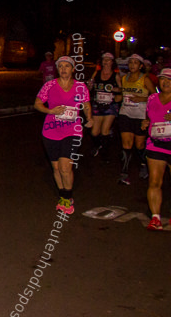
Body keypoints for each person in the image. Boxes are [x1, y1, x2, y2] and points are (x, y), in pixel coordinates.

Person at [34, 56, 93, 214]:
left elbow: (86, 105)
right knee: (56, 167)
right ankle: (62, 195)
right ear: (57, 69)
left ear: (73, 69)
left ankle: (68, 197)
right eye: (61, 66)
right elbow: (37, 103)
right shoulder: (49, 85)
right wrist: (50, 110)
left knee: (66, 167)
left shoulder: (80, 87)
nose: (64, 69)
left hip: (73, 131)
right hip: (51, 130)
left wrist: (90, 118)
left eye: (67, 66)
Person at [116, 54, 155, 185]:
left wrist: (142, 99)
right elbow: (122, 95)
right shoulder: (124, 78)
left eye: (135, 63)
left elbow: (155, 96)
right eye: (130, 62)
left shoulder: (145, 79)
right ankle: (124, 172)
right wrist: (117, 96)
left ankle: (144, 163)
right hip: (125, 113)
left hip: (140, 115)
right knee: (126, 144)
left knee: (139, 145)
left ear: (141, 66)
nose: (132, 65)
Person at [143, 68, 171, 231]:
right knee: (154, 182)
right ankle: (155, 218)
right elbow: (149, 116)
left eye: (169, 79)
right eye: (162, 79)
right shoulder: (152, 98)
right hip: (155, 143)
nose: (166, 82)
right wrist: (145, 123)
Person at [88, 52, 121, 160]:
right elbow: (90, 87)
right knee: (94, 132)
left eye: (108, 60)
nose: (106, 62)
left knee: (105, 131)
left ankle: (105, 153)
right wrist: (89, 85)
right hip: (98, 104)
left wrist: (117, 90)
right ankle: (98, 145)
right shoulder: (96, 73)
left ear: (112, 62)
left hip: (110, 105)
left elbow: (122, 90)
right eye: (104, 60)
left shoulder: (116, 75)